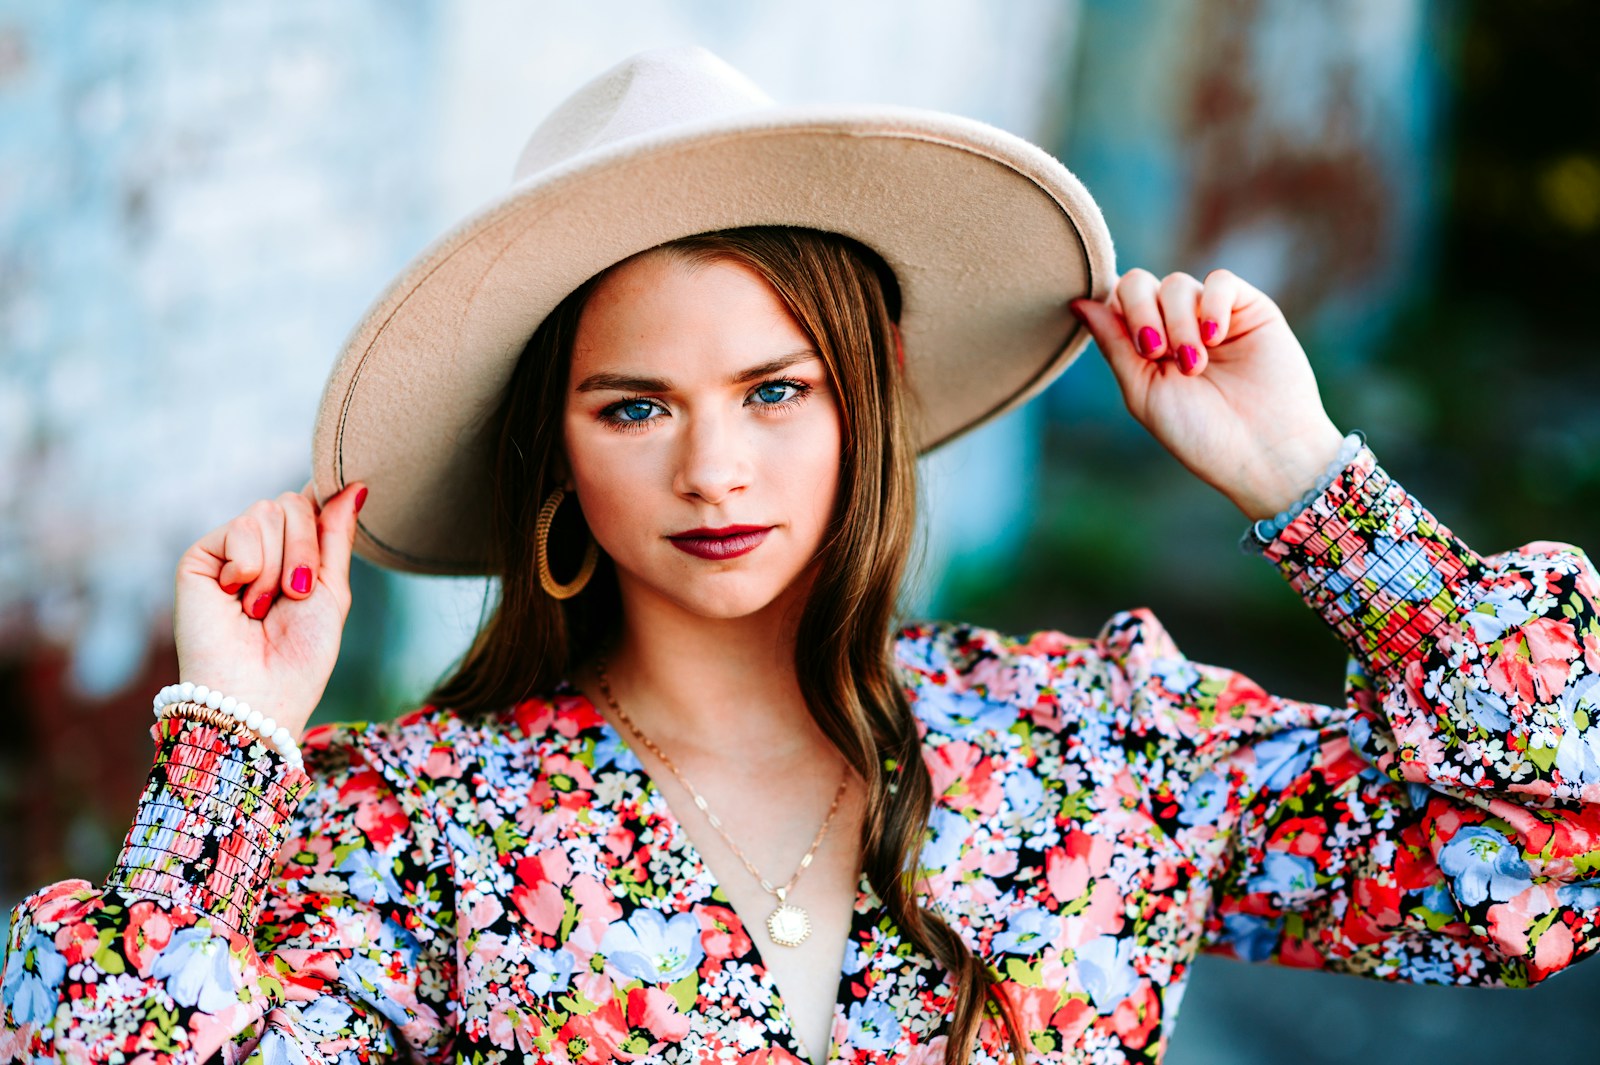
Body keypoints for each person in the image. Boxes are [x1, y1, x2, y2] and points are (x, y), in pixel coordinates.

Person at [4, 45, 1599, 1065]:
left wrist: (1311, 482)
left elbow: (1546, 851)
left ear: (874, 389)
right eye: (633, 407)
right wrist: (235, 746)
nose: (715, 468)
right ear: (551, 442)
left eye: (777, 390)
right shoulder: (414, 824)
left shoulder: (1104, 746)